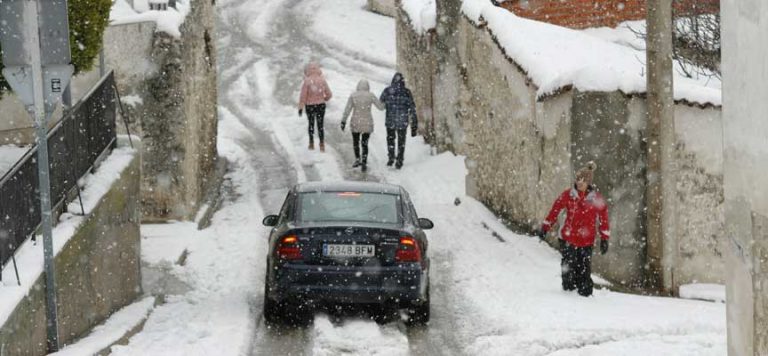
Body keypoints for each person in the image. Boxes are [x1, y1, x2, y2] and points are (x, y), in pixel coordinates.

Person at [536, 161, 610, 297]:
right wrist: (545, 227)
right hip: (569, 239)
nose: (579, 183)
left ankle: (585, 299)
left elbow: (603, 218)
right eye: (577, 180)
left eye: (583, 181)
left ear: (588, 183)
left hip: (586, 242)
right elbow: (555, 210)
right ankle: (567, 298)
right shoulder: (569, 195)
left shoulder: (596, 199)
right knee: (568, 271)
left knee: (584, 273)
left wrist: (605, 238)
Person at [341, 79, 384, 172]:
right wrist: (386, 102)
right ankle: (364, 161)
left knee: (356, 142)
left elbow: (347, 109)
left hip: (356, 122)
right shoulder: (371, 95)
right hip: (367, 122)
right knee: (365, 143)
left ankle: (357, 159)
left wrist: (343, 121)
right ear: (368, 87)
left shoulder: (353, 95)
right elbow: (380, 107)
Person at [379, 73, 417, 169]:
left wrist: (388, 104)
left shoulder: (387, 91)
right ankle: (399, 160)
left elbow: (381, 101)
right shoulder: (407, 92)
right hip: (402, 121)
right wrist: (414, 125)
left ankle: (391, 158)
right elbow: (412, 109)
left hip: (390, 120)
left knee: (391, 139)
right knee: (401, 142)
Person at [298, 62, 332, 151]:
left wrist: (301, 107)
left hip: (310, 106)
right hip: (321, 105)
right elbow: (329, 94)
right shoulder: (322, 80)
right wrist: (324, 99)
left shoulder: (307, 81)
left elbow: (303, 96)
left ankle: (311, 143)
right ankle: (322, 145)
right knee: (320, 125)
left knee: (311, 124)